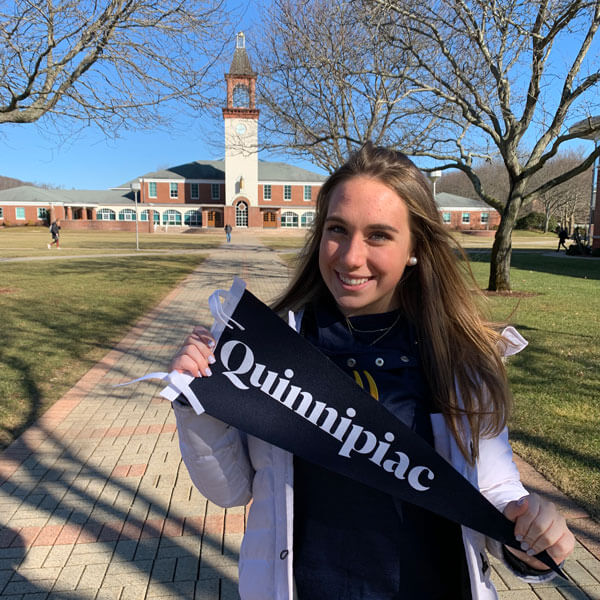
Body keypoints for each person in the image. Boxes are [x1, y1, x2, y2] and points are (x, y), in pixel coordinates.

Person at [170, 143, 574, 599]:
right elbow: (231, 490)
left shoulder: (460, 359)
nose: (350, 257)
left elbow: (494, 489)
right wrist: (199, 403)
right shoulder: (273, 346)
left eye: (379, 235)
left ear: (415, 248)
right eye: (337, 229)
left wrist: (525, 528)